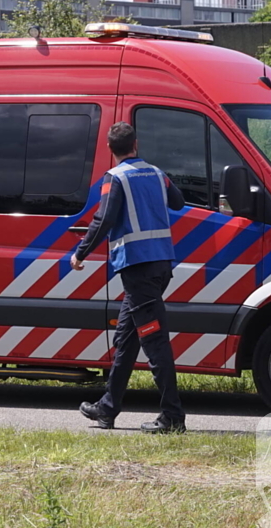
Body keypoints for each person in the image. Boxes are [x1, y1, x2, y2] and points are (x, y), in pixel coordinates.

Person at [71, 122, 187, 433]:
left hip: (138, 269)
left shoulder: (116, 177)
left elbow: (104, 218)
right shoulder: (156, 173)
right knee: (126, 338)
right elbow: (178, 202)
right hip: (160, 265)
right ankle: (107, 409)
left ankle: (173, 417)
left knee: (155, 342)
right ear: (135, 143)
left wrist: (80, 252)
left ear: (110, 149)